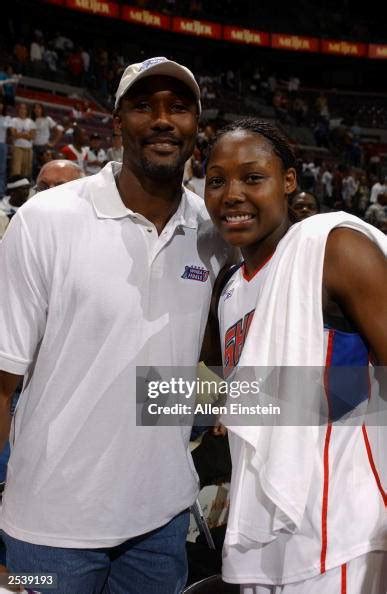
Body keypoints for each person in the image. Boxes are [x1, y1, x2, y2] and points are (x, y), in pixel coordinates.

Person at [0, 56, 230, 594]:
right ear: (117, 119)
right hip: (49, 524)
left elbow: (168, 373)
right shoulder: (46, 220)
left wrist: (352, 396)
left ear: (197, 126)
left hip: (162, 520)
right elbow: (2, 378)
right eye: (143, 106)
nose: (162, 119)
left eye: (178, 107)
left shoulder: (212, 232)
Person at [204, 118, 387, 593]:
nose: (232, 194)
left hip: (344, 530)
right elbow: (246, 398)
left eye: (252, 177)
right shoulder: (226, 288)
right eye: (217, 180)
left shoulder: (332, 247)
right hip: (260, 539)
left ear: (288, 182)